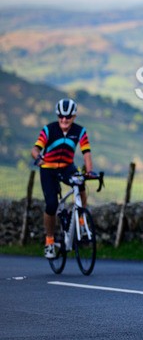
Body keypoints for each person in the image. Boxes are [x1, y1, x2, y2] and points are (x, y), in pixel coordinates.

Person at [30, 98, 95, 259]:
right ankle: (49, 241)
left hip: (67, 167)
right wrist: (38, 158)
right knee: (51, 205)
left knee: (81, 182)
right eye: (61, 117)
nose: (64, 120)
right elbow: (35, 149)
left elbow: (86, 153)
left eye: (68, 117)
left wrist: (89, 171)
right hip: (48, 169)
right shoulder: (49, 129)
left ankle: (81, 218)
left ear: (74, 117)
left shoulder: (80, 131)